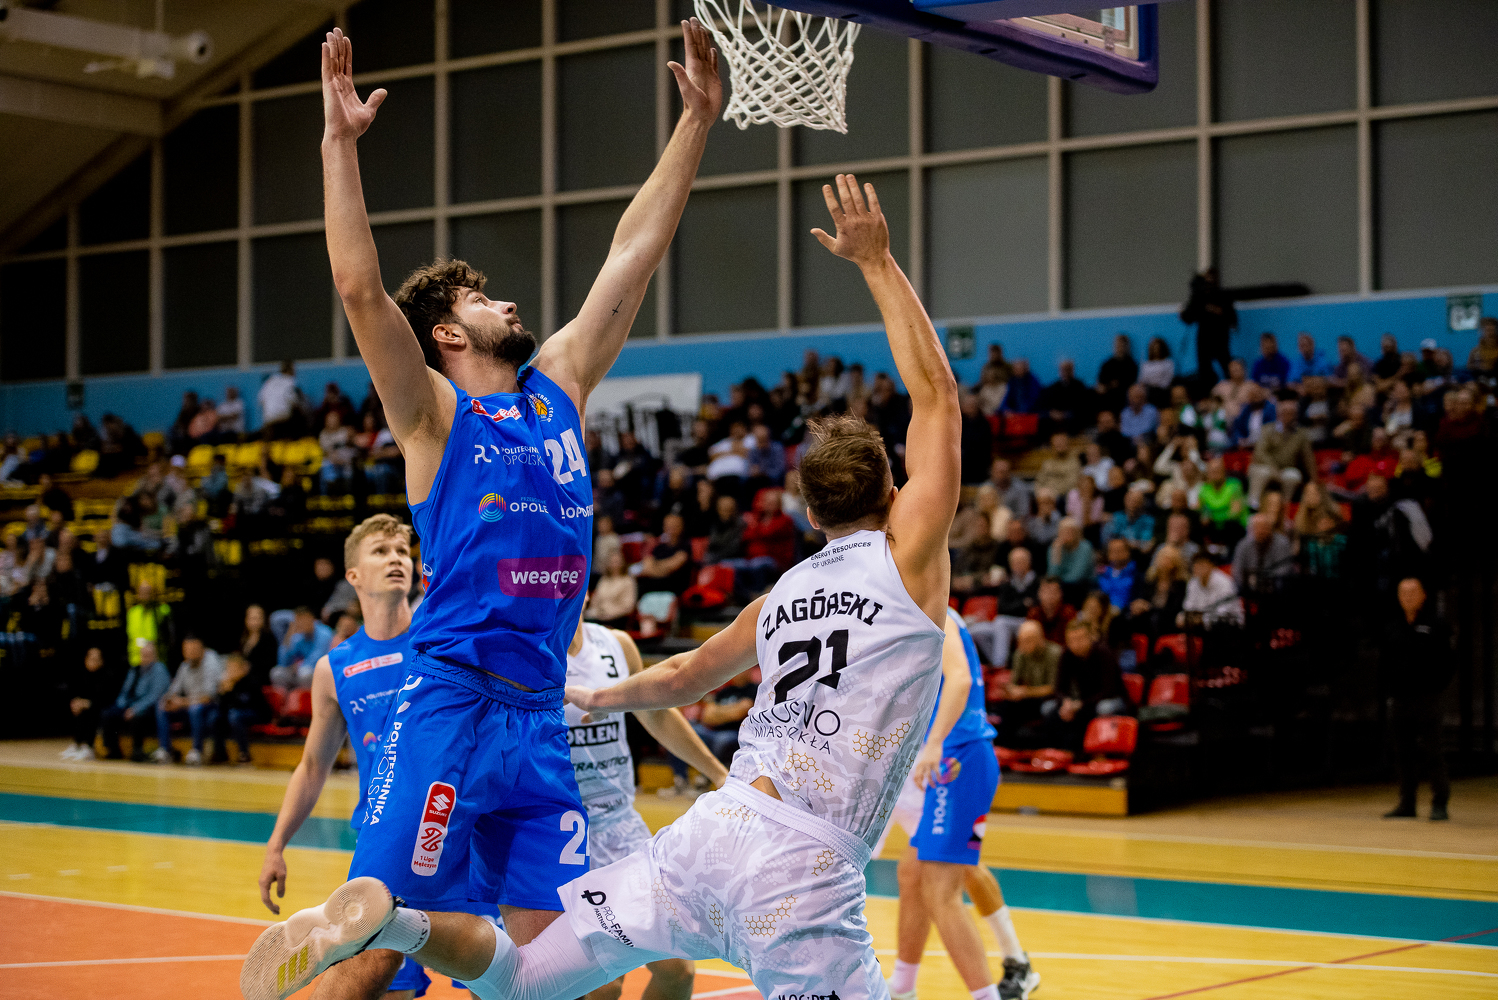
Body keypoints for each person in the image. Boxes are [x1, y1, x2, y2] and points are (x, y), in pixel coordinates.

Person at [242, 172, 964, 1000]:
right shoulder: (908, 562)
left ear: (808, 510)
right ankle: (386, 926)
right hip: (768, 850)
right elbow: (937, 396)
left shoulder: (781, 600)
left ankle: (395, 923)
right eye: (481, 299)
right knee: (403, 967)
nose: (506, 302)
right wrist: (876, 263)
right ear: (897, 494)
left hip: (679, 818)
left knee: (532, 979)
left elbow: (685, 672)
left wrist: (593, 696)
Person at [258, 516, 447, 999]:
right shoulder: (334, 668)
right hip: (385, 840)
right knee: (384, 985)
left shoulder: (442, 637)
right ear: (353, 575)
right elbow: (312, 767)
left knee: (499, 980)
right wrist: (277, 845)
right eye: (381, 551)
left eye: (402, 551)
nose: (396, 559)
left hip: (459, 831)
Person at [562, 613, 727, 1000]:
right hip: (563, 835)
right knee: (602, 988)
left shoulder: (617, 645)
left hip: (621, 826)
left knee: (678, 971)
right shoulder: (527, 648)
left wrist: (718, 773)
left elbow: (654, 711)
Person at [886, 610, 1037, 1000]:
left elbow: (961, 679)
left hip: (956, 758)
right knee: (913, 872)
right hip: (944, 757)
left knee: (942, 889)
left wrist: (934, 743)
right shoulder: (916, 613)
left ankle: (993, 987)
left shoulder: (933, 612)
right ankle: (902, 988)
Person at [1042, 621, 1127, 751]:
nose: (1076, 644)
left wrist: (1081, 704)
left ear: (1090, 637)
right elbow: (1059, 688)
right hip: (1084, 701)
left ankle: (1099, 750)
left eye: (1080, 639)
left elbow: (1109, 690)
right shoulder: (1067, 655)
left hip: (1112, 699)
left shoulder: (1104, 653)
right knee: (1048, 708)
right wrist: (1066, 702)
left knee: (1103, 708)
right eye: (1072, 640)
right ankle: (1053, 751)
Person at [153, 634, 225, 765]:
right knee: (162, 705)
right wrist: (169, 700)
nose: (189, 654)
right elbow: (173, 690)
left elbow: (208, 697)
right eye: (186, 651)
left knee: (195, 709)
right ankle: (165, 750)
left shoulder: (211, 662)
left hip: (211, 708)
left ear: (202, 649)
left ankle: (197, 751)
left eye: (193, 650)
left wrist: (182, 702)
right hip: (189, 706)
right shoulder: (185, 665)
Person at [100, 640, 171, 761]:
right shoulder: (135, 669)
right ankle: (113, 750)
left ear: (155, 656)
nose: (145, 658)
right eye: (143, 655)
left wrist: (135, 709)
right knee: (108, 714)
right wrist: (121, 706)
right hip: (130, 704)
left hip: (149, 708)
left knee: (138, 717)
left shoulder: (159, 670)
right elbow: (125, 691)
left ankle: (137, 751)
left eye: (148, 655)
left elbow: (154, 696)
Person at [1247, 395, 1316, 508]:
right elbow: (1260, 453)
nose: (1288, 416)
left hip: (1286, 469)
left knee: (1293, 475)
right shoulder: (1267, 429)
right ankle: (1253, 507)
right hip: (1267, 467)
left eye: (1291, 413)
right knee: (1262, 472)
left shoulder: (1301, 434)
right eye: (1285, 412)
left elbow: (1308, 459)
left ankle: (1283, 507)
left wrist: (1314, 480)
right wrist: (1275, 469)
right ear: (1279, 414)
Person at [212, 652, 271, 764]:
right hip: (236, 714)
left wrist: (231, 691)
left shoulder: (251, 681)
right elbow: (222, 707)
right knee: (215, 716)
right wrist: (223, 693)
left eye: (234, 668)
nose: (231, 672)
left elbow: (245, 704)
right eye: (229, 669)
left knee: (235, 715)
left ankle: (244, 753)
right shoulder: (228, 684)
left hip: (258, 714)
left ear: (242, 669)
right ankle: (220, 753)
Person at [1180, 268, 1236, 386]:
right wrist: (1183, 314)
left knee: (1226, 366)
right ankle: (1209, 388)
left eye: (1211, 278)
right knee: (1204, 369)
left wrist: (1214, 310)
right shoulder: (1198, 297)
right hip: (1204, 338)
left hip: (1220, 337)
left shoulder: (1223, 296)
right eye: (1207, 279)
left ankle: (1233, 388)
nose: (1209, 282)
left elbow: (1231, 318)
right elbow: (1190, 317)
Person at [61, 646, 111, 760]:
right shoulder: (82, 674)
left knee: (92, 711)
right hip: (87, 705)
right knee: (78, 709)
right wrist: (76, 702)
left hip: (101, 706)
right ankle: (77, 744)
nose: (93, 662)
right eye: (91, 658)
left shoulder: (107, 675)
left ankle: (88, 747)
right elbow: (77, 693)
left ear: (101, 661)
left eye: (96, 659)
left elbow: (105, 699)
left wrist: (87, 703)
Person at [269, 607, 335, 689]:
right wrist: (289, 636)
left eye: (304, 619)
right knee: (277, 672)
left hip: (320, 672)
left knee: (305, 672)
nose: (301, 623)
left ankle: (307, 696)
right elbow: (283, 662)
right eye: (298, 620)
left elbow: (317, 659)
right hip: (299, 672)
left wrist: (298, 666)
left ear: (311, 618)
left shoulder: (324, 632)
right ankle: (286, 696)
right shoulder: (298, 635)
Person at [587, 551, 637, 630]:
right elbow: (595, 600)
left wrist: (609, 614)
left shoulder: (627, 581)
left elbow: (628, 606)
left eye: (617, 561)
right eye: (612, 561)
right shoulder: (604, 579)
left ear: (622, 563)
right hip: (599, 615)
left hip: (617, 618)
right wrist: (595, 612)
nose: (614, 564)